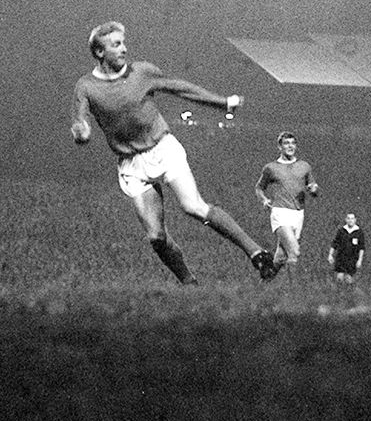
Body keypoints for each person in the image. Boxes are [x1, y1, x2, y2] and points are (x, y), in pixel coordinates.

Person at [70, 21, 277, 284]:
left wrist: (222, 102)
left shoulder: (141, 72)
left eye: (123, 42)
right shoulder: (86, 86)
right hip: (132, 165)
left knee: (193, 206)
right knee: (156, 237)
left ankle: (257, 253)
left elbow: (180, 87)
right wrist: (82, 131)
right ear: (100, 53)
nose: (124, 49)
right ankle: (189, 283)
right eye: (116, 45)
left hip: (163, 148)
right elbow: (80, 120)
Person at [255, 131, 319, 277]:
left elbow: (313, 187)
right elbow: (259, 188)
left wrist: (313, 189)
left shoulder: (304, 166)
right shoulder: (271, 168)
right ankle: (294, 295)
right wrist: (264, 200)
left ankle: (263, 284)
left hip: (298, 213)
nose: (290, 146)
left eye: (292, 143)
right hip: (280, 212)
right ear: (280, 147)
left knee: (280, 258)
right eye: (286, 143)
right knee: (294, 251)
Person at [329, 213, 365, 284]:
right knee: (339, 278)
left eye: (352, 218)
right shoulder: (341, 231)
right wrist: (330, 255)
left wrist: (360, 260)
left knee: (349, 279)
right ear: (346, 220)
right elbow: (334, 243)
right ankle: (338, 293)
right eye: (348, 218)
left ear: (355, 220)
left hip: (352, 259)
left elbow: (361, 247)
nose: (350, 220)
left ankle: (349, 293)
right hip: (341, 258)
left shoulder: (359, 232)